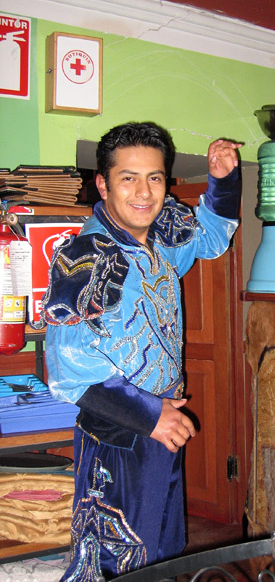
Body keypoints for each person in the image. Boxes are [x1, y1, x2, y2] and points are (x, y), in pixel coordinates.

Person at [40, 122, 241, 581]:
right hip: (121, 431)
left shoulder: (156, 238)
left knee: (163, 549)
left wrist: (224, 180)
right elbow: (69, 370)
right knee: (118, 558)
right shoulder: (88, 255)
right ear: (103, 183)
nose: (144, 192)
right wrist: (151, 416)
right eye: (128, 177)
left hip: (159, 421)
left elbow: (209, 239)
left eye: (154, 177)